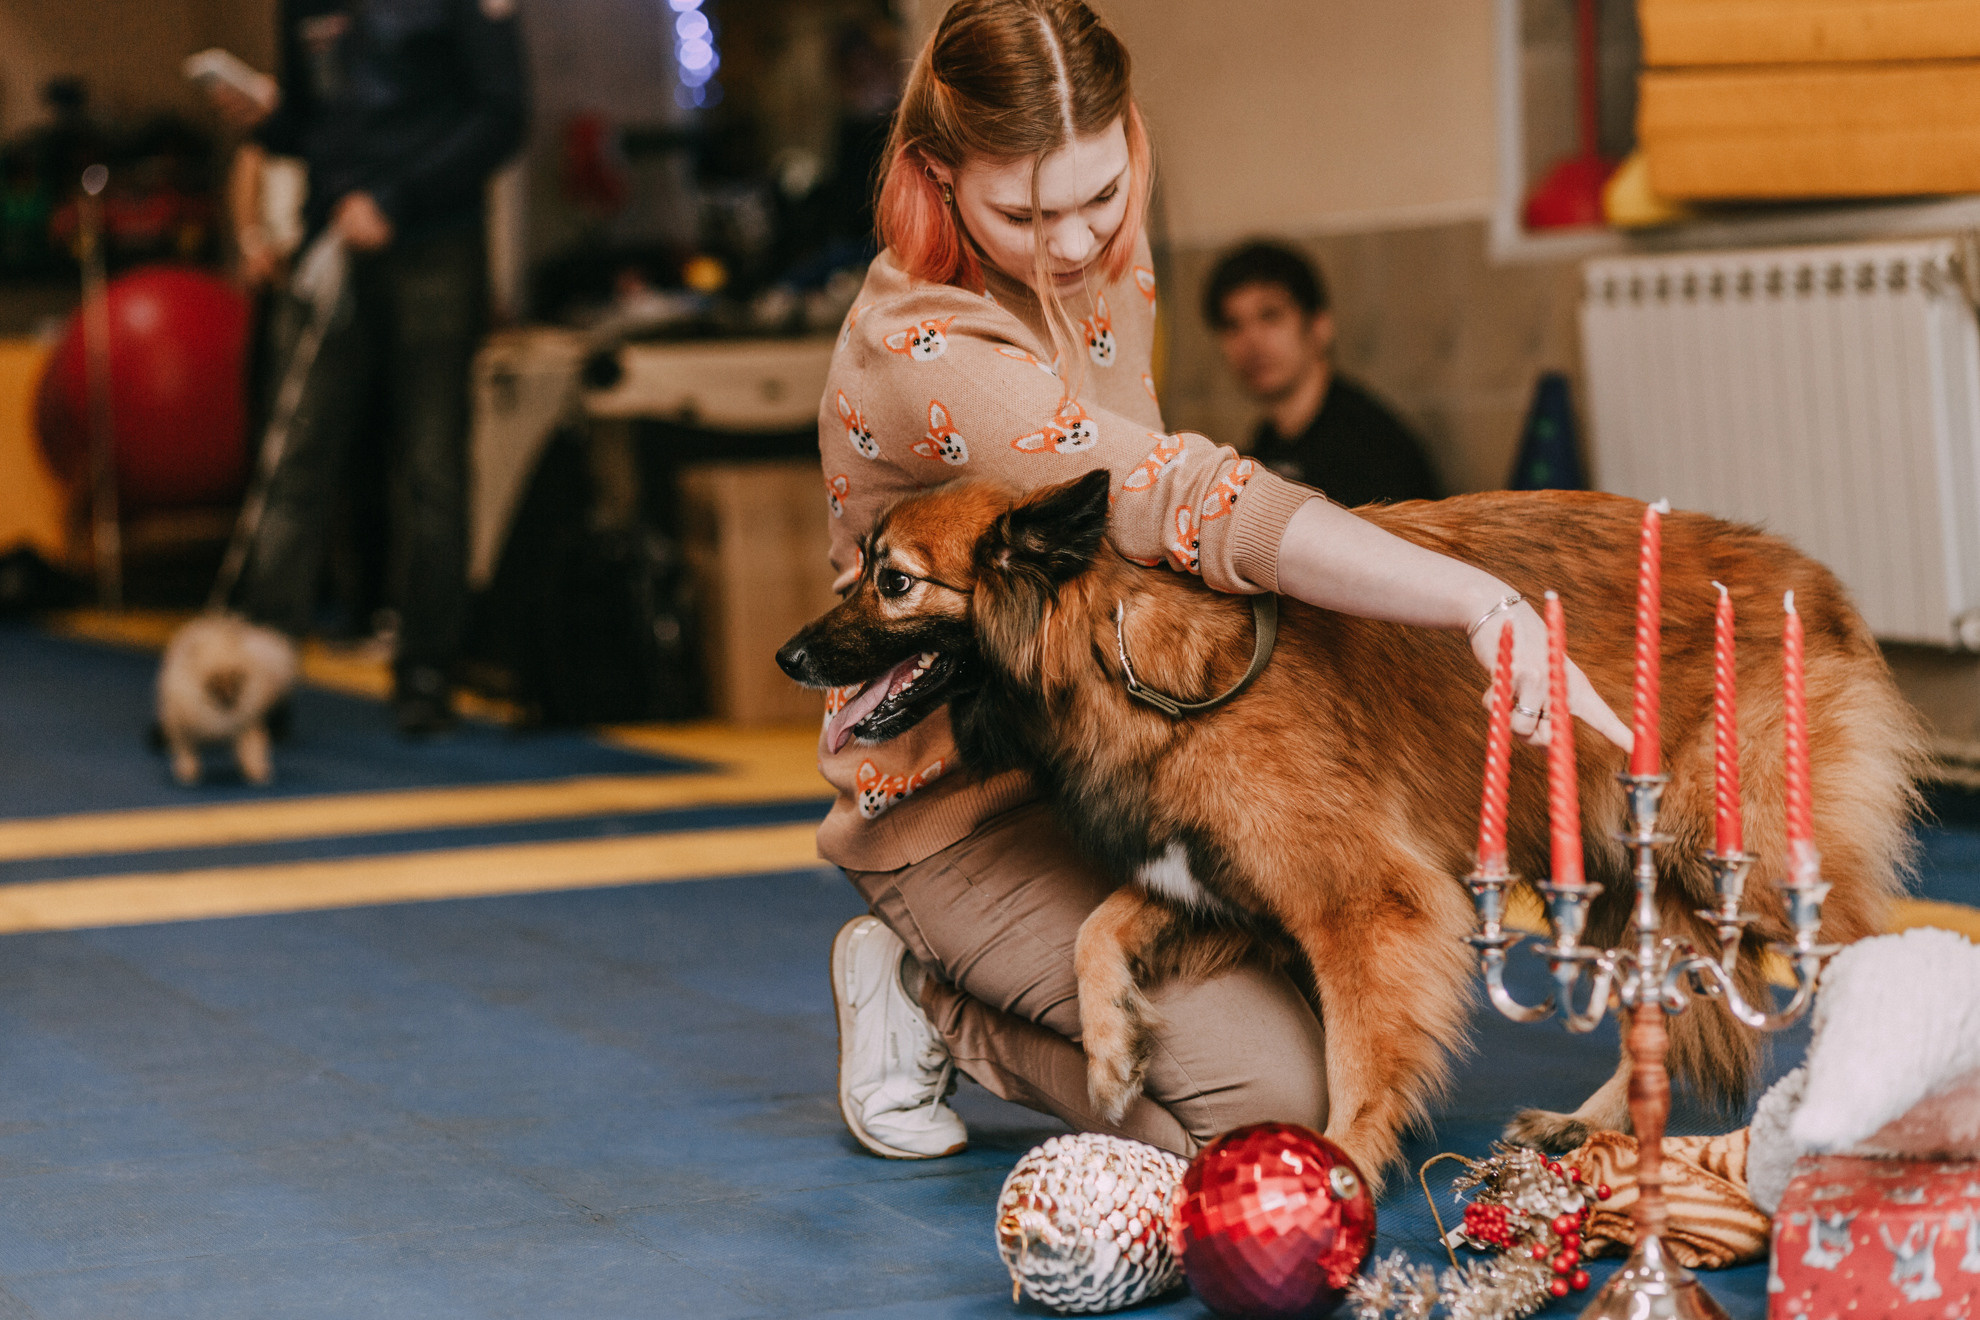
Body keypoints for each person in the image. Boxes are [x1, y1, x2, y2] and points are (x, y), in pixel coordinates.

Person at [818, 0, 1628, 1162]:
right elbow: (1180, 497)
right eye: (1024, 213)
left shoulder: (1101, 236)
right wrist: (1477, 598)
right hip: (963, 800)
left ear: (1129, 139)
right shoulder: (924, 353)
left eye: (1102, 195)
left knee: (1342, 969)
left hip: (1117, 751)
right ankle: (927, 993)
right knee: (1262, 1120)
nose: (1075, 244)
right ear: (934, 176)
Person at [208, 0, 529, 735]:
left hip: (434, 246)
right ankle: (259, 673)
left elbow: (503, 116)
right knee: (292, 460)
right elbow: (315, 123)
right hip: (330, 248)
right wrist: (266, 119)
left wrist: (397, 195)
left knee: (432, 470)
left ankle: (425, 670)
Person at [1205, 240, 1441, 508]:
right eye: (1232, 325)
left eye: (1271, 316)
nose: (1251, 341)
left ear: (1319, 326)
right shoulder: (1265, 444)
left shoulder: (1374, 448)